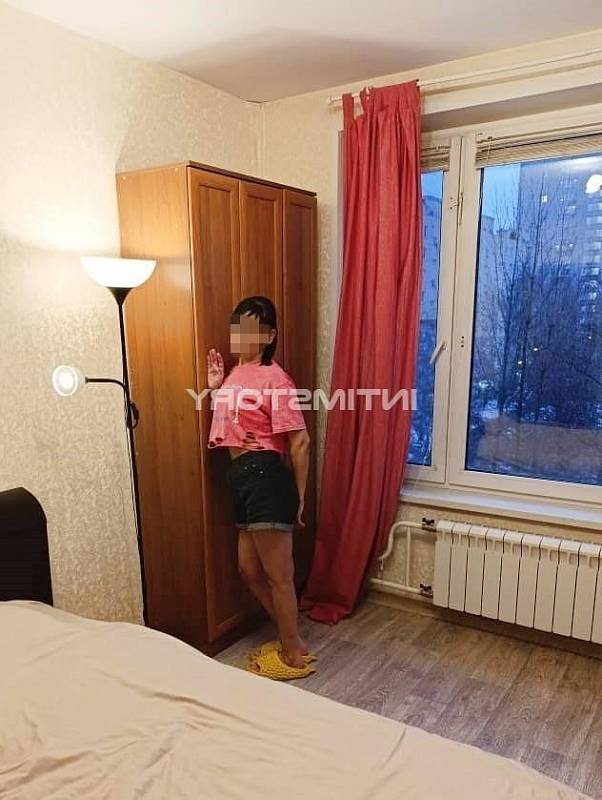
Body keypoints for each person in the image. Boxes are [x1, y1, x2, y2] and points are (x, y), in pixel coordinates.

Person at [207, 296, 315, 680]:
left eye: (253, 328)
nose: (242, 334)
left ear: (269, 336)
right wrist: (216, 389)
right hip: (241, 479)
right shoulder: (236, 375)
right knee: (249, 570)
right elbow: (234, 424)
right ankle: (289, 635)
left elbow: (300, 441)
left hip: (265, 477)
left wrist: (299, 498)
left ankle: (294, 651)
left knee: (278, 576)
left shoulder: (275, 378)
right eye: (239, 326)